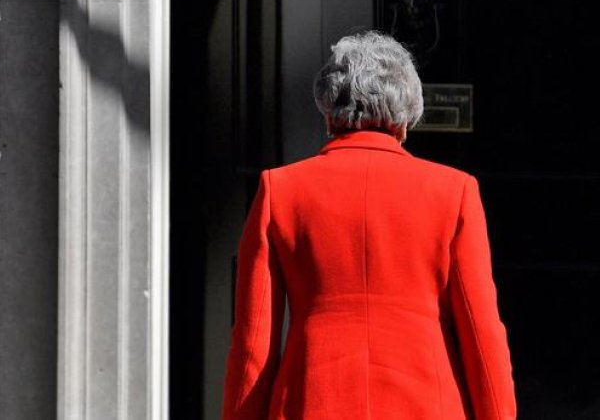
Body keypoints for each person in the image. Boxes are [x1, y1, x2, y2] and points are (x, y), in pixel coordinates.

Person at [221, 31, 517, 419]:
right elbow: (483, 337)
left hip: (311, 403)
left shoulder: (282, 191)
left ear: (329, 113)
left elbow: (253, 342)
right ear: (407, 117)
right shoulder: (453, 192)